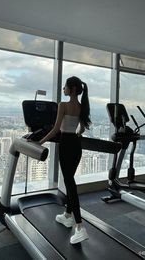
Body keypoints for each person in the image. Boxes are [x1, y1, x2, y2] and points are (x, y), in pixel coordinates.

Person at [39, 76, 91, 244]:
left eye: (65, 87)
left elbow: (55, 130)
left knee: (69, 183)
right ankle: (68, 215)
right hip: (76, 145)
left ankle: (79, 226)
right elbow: (81, 129)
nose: (63, 89)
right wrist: (75, 133)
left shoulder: (63, 105)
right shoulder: (82, 106)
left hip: (66, 144)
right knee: (70, 180)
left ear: (72, 89)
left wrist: (39, 142)